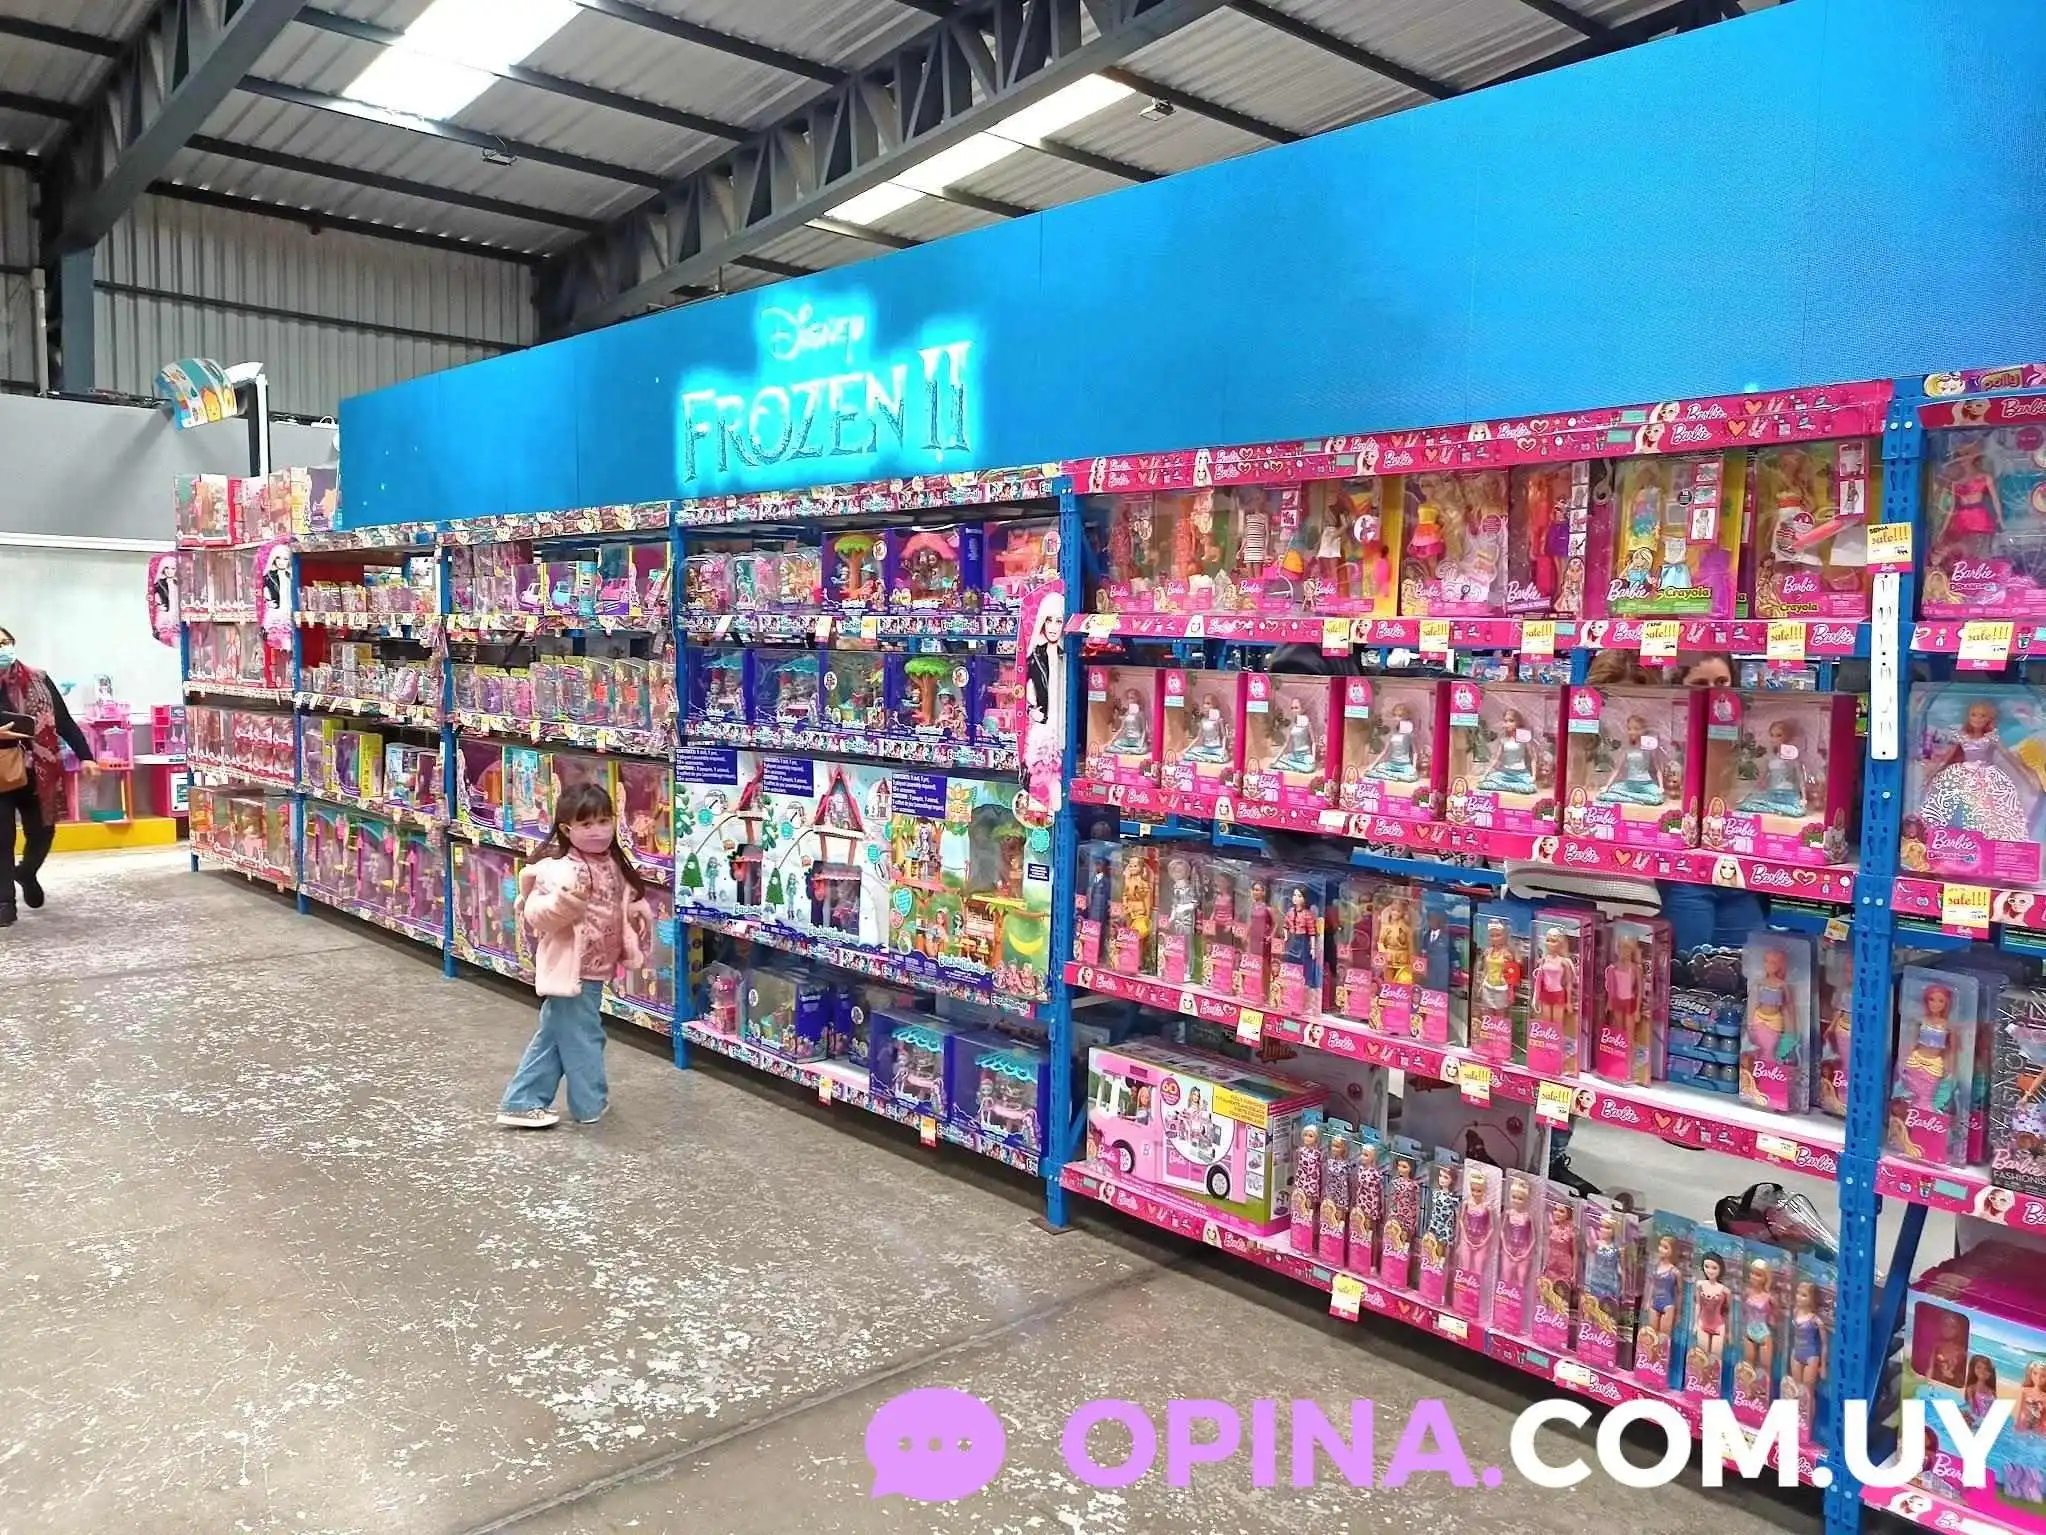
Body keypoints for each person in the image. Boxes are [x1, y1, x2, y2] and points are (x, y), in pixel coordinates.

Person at [497, 783, 654, 1129]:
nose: (597, 831)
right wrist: (564, 903)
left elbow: (618, 899)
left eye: (604, 821)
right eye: (586, 824)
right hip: (572, 969)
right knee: (583, 1036)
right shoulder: (558, 870)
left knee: (558, 1035)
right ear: (567, 830)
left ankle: (523, 1101)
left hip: (597, 967)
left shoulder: (612, 863)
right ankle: (588, 1104)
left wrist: (635, 910)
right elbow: (535, 913)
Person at [0, 627, 96, 926]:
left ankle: (26, 872)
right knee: (2, 838)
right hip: (1, 773)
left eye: (4, 643)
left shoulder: (39, 679)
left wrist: (87, 756)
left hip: (39, 772)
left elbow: (63, 721)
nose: (2, 649)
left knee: (43, 832)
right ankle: (4, 904)